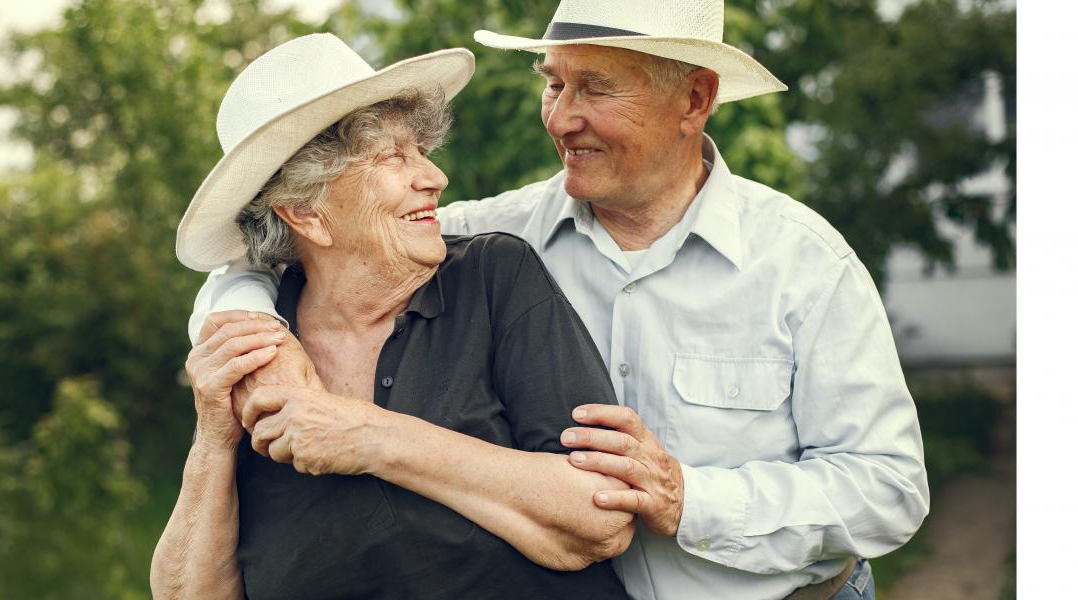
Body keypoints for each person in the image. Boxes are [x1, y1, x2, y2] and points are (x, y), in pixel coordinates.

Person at [191, 2, 931, 598]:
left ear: (695, 98)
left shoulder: (802, 262)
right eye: (554, 82)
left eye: (597, 88)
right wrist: (261, 338)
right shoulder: (493, 238)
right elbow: (299, 245)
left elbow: (889, 487)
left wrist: (687, 499)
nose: (560, 117)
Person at [151, 33, 635, 600]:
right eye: (391, 157)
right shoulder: (258, 353)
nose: (433, 178)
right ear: (307, 212)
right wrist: (213, 436)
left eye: (421, 151)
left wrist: (371, 439)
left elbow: (601, 518)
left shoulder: (491, 277)